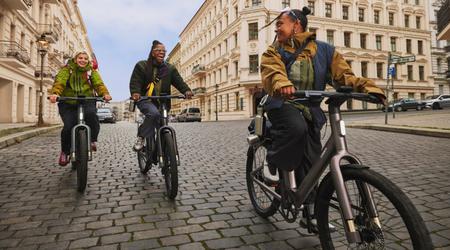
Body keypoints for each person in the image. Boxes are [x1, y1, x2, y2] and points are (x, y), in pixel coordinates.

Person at [49, 51, 112, 166]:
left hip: (86, 100)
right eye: (80, 58)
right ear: (75, 59)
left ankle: (92, 140)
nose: (83, 60)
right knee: (68, 126)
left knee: (92, 116)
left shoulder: (91, 71)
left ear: (88, 61)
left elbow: (99, 84)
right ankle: (65, 152)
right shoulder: (67, 69)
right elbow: (60, 82)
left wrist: (105, 94)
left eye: (85, 58)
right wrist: (55, 93)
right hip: (68, 102)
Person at [130, 40, 193, 151]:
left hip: (163, 101)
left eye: (164, 51)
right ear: (152, 52)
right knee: (153, 114)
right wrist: (136, 93)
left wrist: (186, 90)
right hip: (146, 100)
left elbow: (179, 82)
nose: (162, 52)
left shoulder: (169, 68)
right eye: (158, 50)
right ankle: (141, 137)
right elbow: (136, 81)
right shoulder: (142, 65)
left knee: (162, 125)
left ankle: (163, 154)